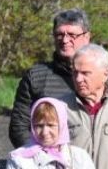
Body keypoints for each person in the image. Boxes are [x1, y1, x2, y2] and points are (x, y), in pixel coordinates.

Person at [9, 9, 92, 148]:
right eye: (59, 34)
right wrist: (42, 158)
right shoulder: (36, 77)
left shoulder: (106, 79)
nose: (65, 40)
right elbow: (19, 127)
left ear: (87, 37)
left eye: (72, 34)